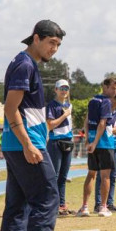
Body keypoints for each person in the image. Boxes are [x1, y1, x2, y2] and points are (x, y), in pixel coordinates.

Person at [0, 19, 66, 231]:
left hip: (19, 145)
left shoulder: (25, 65)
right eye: (51, 43)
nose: (54, 50)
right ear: (36, 38)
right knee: (48, 198)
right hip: (25, 146)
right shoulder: (24, 65)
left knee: (18, 204)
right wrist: (28, 144)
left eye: (57, 45)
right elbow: (10, 108)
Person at [78, 77, 116, 218]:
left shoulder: (92, 100)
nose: (115, 92)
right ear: (105, 87)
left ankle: (84, 207)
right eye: (113, 88)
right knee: (105, 176)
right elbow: (102, 123)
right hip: (104, 142)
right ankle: (103, 207)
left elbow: (86, 120)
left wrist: (87, 139)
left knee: (91, 174)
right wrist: (95, 142)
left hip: (92, 141)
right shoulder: (107, 102)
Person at [95, 87, 116, 212]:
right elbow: (101, 127)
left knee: (113, 176)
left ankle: (109, 203)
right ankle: (99, 204)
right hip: (104, 146)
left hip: (115, 146)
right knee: (101, 176)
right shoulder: (103, 109)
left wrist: (114, 129)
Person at [46, 79, 75, 216]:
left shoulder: (69, 105)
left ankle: (62, 204)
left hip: (67, 142)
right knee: (55, 175)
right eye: (61, 88)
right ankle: (52, 205)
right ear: (56, 90)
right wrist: (64, 115)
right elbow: (50, 125)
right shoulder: (51, 106)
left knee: (63, 176)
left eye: (66, 88)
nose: (64, 91)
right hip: (55, 143)